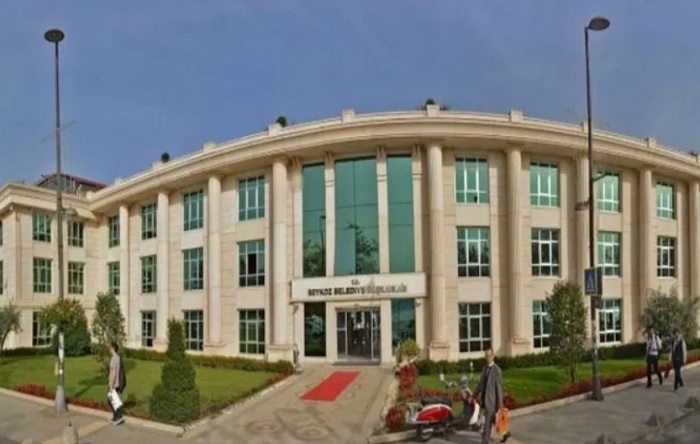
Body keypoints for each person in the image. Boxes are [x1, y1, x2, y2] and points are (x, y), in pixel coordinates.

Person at [473, 348, 511, 443]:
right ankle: (506, 433)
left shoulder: (497, 370)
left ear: (493, 356)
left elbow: (499, 389)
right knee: (495, 421)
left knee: (487, 424)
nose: (488, 358)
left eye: (489, 356)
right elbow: (480, 384)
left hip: (492, 402)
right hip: (484, 401)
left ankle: (485, 441)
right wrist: (474, 396)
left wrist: (500, 406)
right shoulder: (484, 369)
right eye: (486, 356)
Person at [107, 342, 125, 425]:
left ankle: (119, 417)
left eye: (110, 347)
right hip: (118, 383)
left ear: (113, 348)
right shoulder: (118, 357)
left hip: (113, 384)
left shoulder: (113, 359)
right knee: (114, 401)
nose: (109, 349)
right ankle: (115, 418)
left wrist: (111, 385)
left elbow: (113, 372)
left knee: (111, 402)